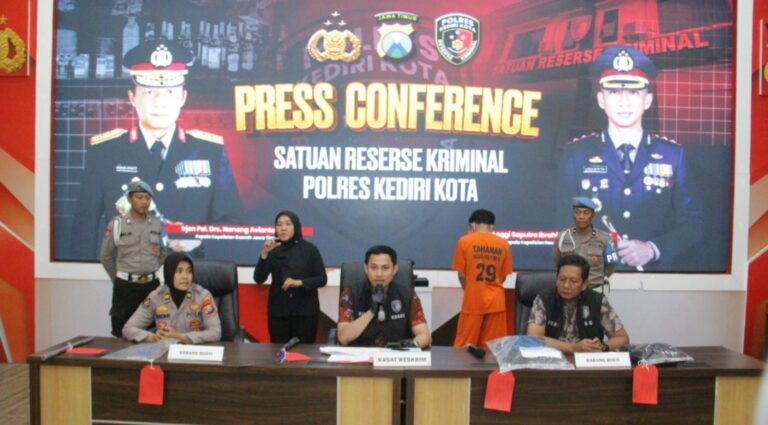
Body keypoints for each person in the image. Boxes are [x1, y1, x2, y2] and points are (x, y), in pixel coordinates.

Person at [70, 39, 243, 260]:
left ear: (183, 98)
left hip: (190, 275)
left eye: (170, 92)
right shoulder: (105, 152)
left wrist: (199, 239)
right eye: (149, 92)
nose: (160, 102)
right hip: (126, 274)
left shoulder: (210, 151)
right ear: (132, 97)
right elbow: (83, 230)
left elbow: (233, 225)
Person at [558, 45, 702, 270]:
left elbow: (693, 224)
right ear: (601, 99)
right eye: (614, 92)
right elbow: (561, 222)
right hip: (594, 276)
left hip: (654, 280)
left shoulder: (673, 155)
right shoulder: (576, 154)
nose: (623, 102)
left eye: (634, 92)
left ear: (647, 100)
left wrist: (653, 249)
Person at [100, 180, 166, 338]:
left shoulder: (157, 224)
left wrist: (151, 268)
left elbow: (163, 252)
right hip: (126, 289)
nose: (144, 202)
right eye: (139, 197)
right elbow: (106, 257)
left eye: (147, 198)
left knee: (154, 333)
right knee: (122, 334)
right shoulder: (118, 224)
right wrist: (119, 279)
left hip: (151, 287)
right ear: (129, 199)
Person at [527, 255, 629, 353]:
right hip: (552, 360)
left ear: (584, 284)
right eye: (562, 279)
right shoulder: (544, 299)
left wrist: (601, 347)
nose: (566, 285)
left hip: (586, 362)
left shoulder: (597, 301)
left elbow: (622, 338)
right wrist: (573, 348)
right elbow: (534, 339)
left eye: (573, 281)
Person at [253, 211, 328, 343]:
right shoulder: (272, 250)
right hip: (279, 313)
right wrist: (264, 254)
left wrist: (299, 282)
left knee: (303, 352)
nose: (283, 228)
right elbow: (259, 278)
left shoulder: (310, 249)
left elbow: (322, 279)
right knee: (279, 352)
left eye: (288, 224)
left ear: (296, 226)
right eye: (279, 225)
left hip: (305, 313)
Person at [337, 245, 431, 348]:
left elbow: (424, 335)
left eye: (385, 268)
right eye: (374, 268)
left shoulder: (408, 295)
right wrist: (372, 312)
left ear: (394, 269)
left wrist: (412, 345)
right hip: (361, 355)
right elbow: (343, 337)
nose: (379, 274)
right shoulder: (350, 294)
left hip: (395, 355)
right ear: (366, 269)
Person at [123, 252, 221, 343]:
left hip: (194, 351)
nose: (185, 276)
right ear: (169, 272)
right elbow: (128, 329)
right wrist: (153, 337)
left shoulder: (203, 296)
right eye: (179, 271)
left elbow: (216, 332)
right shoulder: (156, 296)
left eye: (189, 271)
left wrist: (181, 337)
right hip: (165, 350)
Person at [452, 209, 513, 349]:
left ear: (473, 225)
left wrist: (470, 289)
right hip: (496, 303)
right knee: (493, 349)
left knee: (464, 348)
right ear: (492, 226)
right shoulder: (504, 244)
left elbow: (461, 275)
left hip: (473, 301)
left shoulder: (464, 241)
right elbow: (503, 276)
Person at [552, 197, 617, 287]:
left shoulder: (605, 238)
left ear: (593, 216)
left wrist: (596, 280)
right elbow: (557, 262)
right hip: (569, 289)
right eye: (577, 212)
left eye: (586, 213)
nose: (581, 216)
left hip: (594, 289)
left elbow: (611, 266)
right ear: (573, 215)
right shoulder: (563, 237)